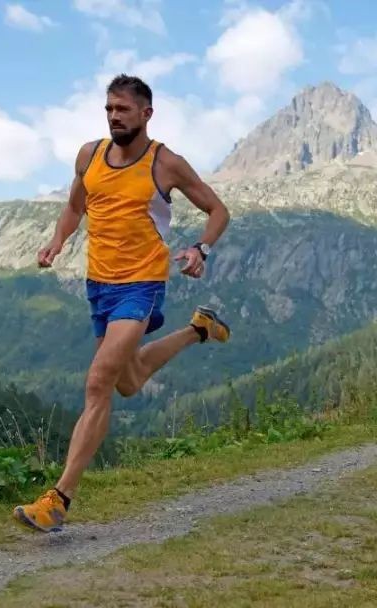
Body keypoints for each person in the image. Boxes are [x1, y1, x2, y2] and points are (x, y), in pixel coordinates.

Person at [12, 74, 231, 532]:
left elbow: (218, 211)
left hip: (142, 285)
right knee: (128, 382)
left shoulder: (165, 162)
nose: (114, 116)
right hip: (100, 286)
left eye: (123, 110)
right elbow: (76, 206)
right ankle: (199, 329)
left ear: (146, 114)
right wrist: (57, 241)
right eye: (109, 108)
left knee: (99, 384)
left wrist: (200, 249)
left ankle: (58, 499)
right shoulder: (89, 155)